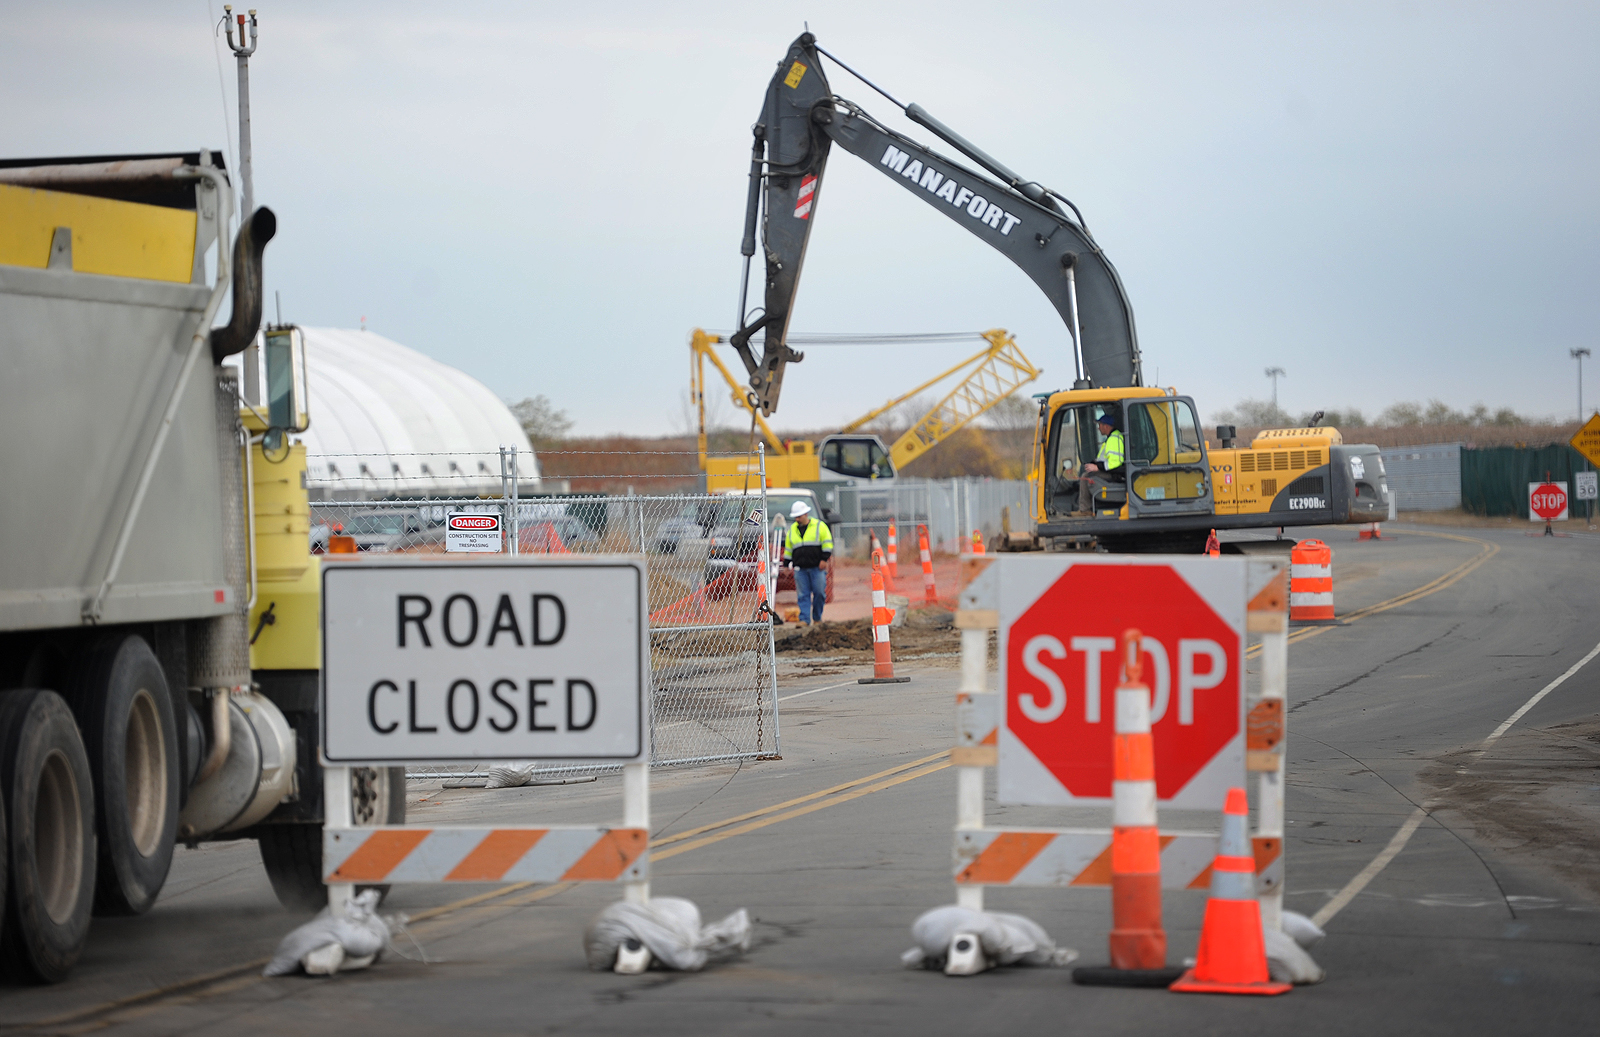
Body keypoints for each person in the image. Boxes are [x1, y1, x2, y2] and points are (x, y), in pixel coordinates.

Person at [782, 500, 832, 625]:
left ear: (806, 514)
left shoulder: (820, 526)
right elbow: (789, 549)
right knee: (803, 595)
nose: (797, 519)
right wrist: (786, 564)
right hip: (800, 568)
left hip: (817, 567)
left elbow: (827, 543)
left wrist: (824, 559)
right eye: (795, 517)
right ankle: (804, 619)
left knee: (819, 593)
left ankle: (817, 618)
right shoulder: (792, 530)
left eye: (799, 516)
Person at [1076, 410, 1126, 515]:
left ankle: (1085, 510)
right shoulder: (1111, 438)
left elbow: (1115, 463)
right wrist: (1093, 463)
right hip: (1109, 471)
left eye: (1100, 425)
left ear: (1106, 426)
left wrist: (1097, 468)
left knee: (1086, 477)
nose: (1098, 428)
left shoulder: (1114, 439)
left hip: (1114, 474)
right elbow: (1104, 458)